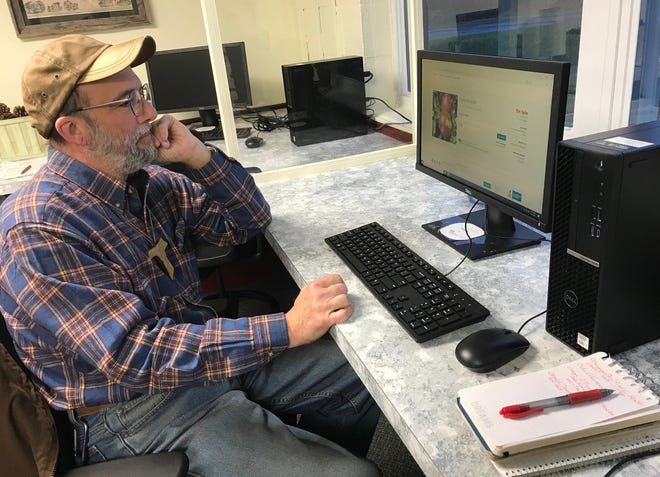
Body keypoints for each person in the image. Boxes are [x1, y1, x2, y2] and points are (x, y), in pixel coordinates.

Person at [0, 34, 380, 477]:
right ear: (73, 129)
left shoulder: (149, 181)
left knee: (371, 374)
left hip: (198, 358)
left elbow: (247, 221)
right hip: (131, 407)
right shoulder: (37, 228)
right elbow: (130, 354)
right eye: (127, 103)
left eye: (142, 95)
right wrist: (286, 328)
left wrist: (199, 156)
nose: (149, 113)